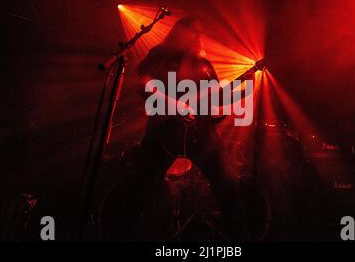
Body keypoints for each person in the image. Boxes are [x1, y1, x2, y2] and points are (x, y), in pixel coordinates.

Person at [101, 17, 254, 240]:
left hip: (201, 134)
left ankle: (241, 239)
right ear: (178, 32)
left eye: (197, 32)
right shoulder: (160, 55)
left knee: (228, 186)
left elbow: (216, 99)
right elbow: (144, 84)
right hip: (163, 131)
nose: (194, 35)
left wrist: (243, 87)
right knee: (140, 189)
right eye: (189, 30)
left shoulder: (204, 65)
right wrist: (175, 106)